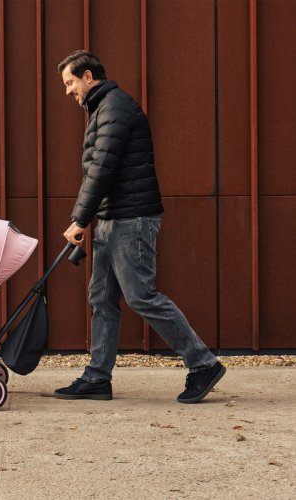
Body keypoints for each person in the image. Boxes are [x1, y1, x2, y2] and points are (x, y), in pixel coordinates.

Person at [54, 50, 225, 404]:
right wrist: (90, 218)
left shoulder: (114, 108)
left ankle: (203, 364)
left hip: (131, 219)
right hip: (111, 217)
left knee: (141, 296)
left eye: (71, 83)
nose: (68, 91)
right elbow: (99, 171)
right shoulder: (102, 109)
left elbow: (101, 168)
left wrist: (79, 219)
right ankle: (97, 377)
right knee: (102, 298)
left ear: (88, 77)